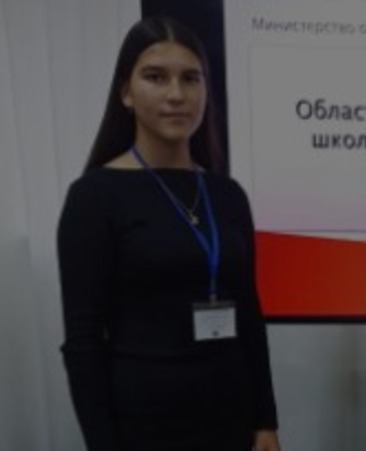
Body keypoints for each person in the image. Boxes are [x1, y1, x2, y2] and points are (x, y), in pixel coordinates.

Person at [57, 17, 280, 451]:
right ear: (126, 92)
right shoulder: (94, 196)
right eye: (156, 77)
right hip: (144, 426)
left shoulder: (227, 194)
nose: (176, 94)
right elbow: (83, 342)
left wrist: (265, 421)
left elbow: (249, 315)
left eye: (191, 78)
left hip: (232, 418)